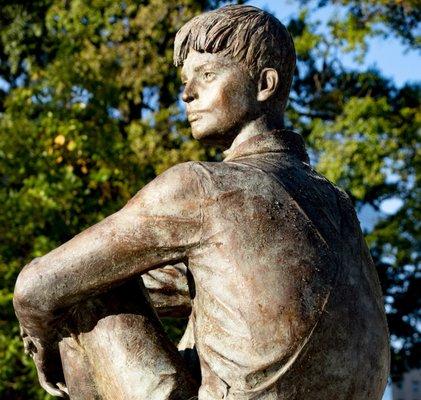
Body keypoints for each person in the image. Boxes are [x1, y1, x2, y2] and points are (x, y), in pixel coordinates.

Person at [13, 5, 390, 400]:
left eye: (207, 74)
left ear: (264, 84)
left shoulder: (203, 188)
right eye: (185, 80)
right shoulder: (338, 204)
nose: (187, 93)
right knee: (101, 274)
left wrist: (46, 346)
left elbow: (34, 288)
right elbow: (214, 283)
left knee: (79, 287)